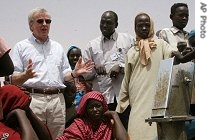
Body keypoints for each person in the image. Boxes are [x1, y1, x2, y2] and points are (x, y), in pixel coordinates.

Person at [10, 7, 94, 139]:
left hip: (57, 101)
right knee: (34, 136)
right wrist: (25, 76)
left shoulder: (57, 47)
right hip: (33, 99)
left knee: (58, 137)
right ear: (31, 25)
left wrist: (74, 73)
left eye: (48, 21)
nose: (45, 24)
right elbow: (13, 79)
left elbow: (64, 76)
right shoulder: (21, 47)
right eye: (40, 21)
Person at [115, 12, 193, 140]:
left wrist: (188, 52)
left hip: (157, 94)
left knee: (155, 127)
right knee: (136, 127)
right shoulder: (131, 51)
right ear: (135, 27)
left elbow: (177, 59)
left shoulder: (161, 45)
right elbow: (127, 79)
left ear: (151, 26)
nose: (144, 28)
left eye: (147, 25)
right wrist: (122, 103)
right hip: (137, 95)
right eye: (140, 25)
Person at [82, 10, 134, 129]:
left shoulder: (127, 40)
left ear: (116, 24)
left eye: (109, 23)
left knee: (126, 130)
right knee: (105, 132)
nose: (104, 26)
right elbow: (85, 75)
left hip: (124, 97)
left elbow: (136, 65)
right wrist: (95, 68)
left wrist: (121, 67)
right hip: (103, 99)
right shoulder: (91, 45)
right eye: (102, 22)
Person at [57, 91, 129, 140]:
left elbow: (123, 139)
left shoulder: (108, 123)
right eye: (90, 107)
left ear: (103, 107)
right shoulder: (79, 124)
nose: (95, 110)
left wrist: (115, 115)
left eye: (98, 106)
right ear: (86, 110)